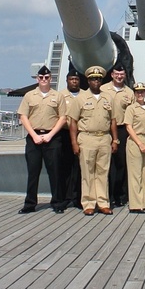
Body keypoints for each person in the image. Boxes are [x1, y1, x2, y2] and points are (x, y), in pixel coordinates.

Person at [16, 65, 67, 214]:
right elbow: (23, 116)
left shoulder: (58, 96)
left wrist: (50, 135)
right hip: (34, 137)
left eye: (46, 77)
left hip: (52, 137)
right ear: (37, 79)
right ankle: (30, 203)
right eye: (41, 77)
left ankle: (57, 203)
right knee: (33, 172)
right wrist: (34, 135)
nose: (44, 80)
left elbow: (63, 118)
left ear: (50, 79)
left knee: (55, 172)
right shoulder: (29, 96)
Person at [68, 65, 117, 215]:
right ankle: (88, 203)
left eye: (98, 79)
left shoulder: (108, 97)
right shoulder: (81, 98)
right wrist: (74, 143)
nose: (96, 81)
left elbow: (113, 120)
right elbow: (73, 122)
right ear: (88, 81)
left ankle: (103, 202)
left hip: (104, 138)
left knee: (103, 172)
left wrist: (115, 140)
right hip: (87, 138)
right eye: (93, 79)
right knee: (87, 172)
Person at [123, 82, 145, 213]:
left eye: (142, 91)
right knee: (135, 174)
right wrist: (140, 144)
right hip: (135, 142)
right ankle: (136, 205)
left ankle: (144, 201)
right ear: (134, 94)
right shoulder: (131, 108)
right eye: (137, 92)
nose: (140, 94)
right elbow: (128, 127)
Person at [106, 64, 134, 208]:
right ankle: (107, 195)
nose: (119, 76)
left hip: (123, 130)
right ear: (112, 74)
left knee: (121, 164)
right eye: (116, 74)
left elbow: (133, 113)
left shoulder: (129, 92)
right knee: (106, 165)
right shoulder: (103, 89)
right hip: (106, 131)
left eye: (121, 74)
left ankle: (121, 195)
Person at [57, 68, 83, 209]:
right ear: (67, 80)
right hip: (65, 134)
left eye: (77, 79)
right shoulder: (60, 96)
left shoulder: (85, 95)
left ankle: (78, 197)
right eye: (72, 79)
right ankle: (65, 197)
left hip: (82, 134)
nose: (74, 81)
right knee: (65, 166)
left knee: (80, 168)